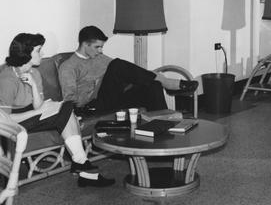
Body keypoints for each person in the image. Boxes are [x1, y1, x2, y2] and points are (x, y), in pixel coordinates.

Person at [0, 33, 115, 187]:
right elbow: (5, 119)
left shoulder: (34, 72)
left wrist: (33, 85)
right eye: (38, 50)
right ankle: (82, 165)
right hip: (12, 122)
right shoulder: (7, 79)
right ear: (26, 53)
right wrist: (37, 112)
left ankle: (82, 165)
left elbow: (38, 106)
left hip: (29, 115)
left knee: (67, 107)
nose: (42, 54)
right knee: (67, 110)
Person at [59, 26, 198, 113]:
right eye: (97, 47)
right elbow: (71, 101)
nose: (101, 51)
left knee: (152, 84)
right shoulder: (68, 66)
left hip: (113, 98)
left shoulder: (98, 57)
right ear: (85, 44)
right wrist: (94, 86)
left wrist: (151, 76)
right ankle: (169, 84)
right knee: (117, 64)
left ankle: (161, 129)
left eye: (102, 47)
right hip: (92, 105)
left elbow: (127, 72)